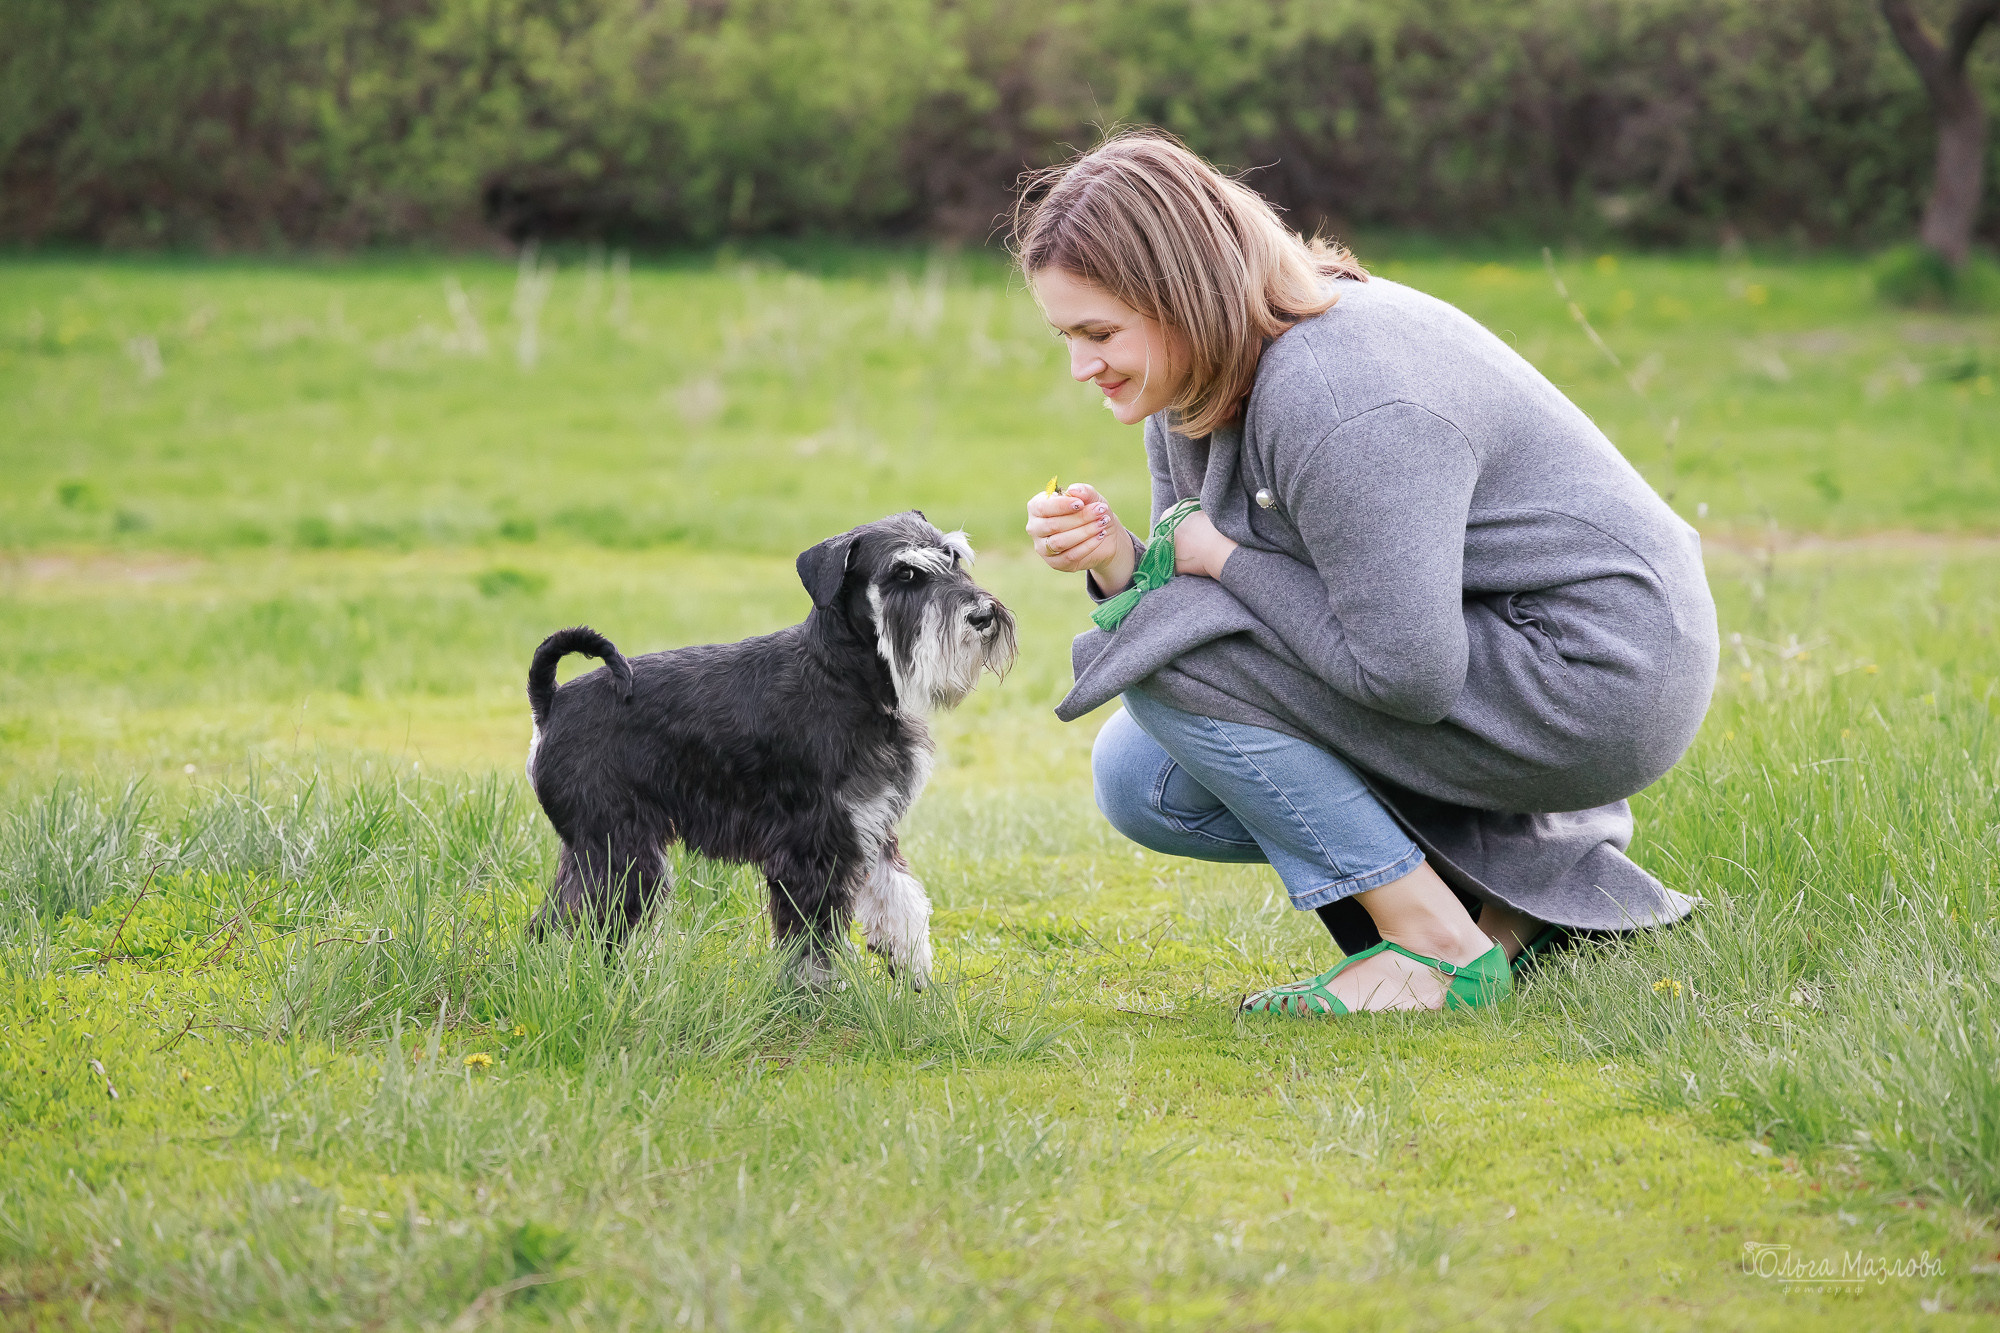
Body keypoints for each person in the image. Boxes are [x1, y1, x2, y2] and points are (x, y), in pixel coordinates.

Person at [1016, 132, 1718, 1016]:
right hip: (1483, 648)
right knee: (1141, 775)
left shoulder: (1337, 396)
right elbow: (1193, 589)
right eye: (1065, 336)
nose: (1082, 366)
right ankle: (1516, 903)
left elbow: (1405, 677)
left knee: (1171, 664)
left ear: (1181, 296)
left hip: (1598, 675)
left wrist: (1220, 557)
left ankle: (1436, 949)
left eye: (1099, 332)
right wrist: (1122, 560)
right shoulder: (1195, 379)